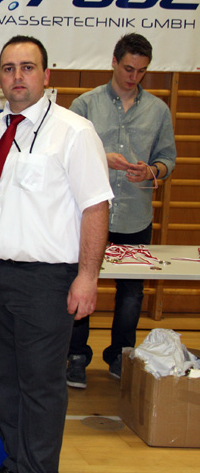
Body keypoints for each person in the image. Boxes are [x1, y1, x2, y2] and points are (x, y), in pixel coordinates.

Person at [0, 36, 113, 473]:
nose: (17, 76)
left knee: (41, 386)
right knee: (4, 380)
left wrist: (88, 276)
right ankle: (15, 461)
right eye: (8, 68)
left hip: (46, 282)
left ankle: (38, 468)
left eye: (27, 67)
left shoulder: (74, 132)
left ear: (46, 75)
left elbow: (95, 207)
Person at [65, 33, 176, 388]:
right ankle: (76, 356)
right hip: (89, 214)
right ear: (114, 62)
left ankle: (121, 355)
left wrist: (152, 170)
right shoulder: (85, 104)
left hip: (135, 215)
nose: (133, 76)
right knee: (81, 283)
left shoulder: (158, 110)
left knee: (131, 293)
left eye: (141, 71)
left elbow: (168, 159)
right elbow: (64, 152)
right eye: (128, 68)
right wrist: (102, 157)